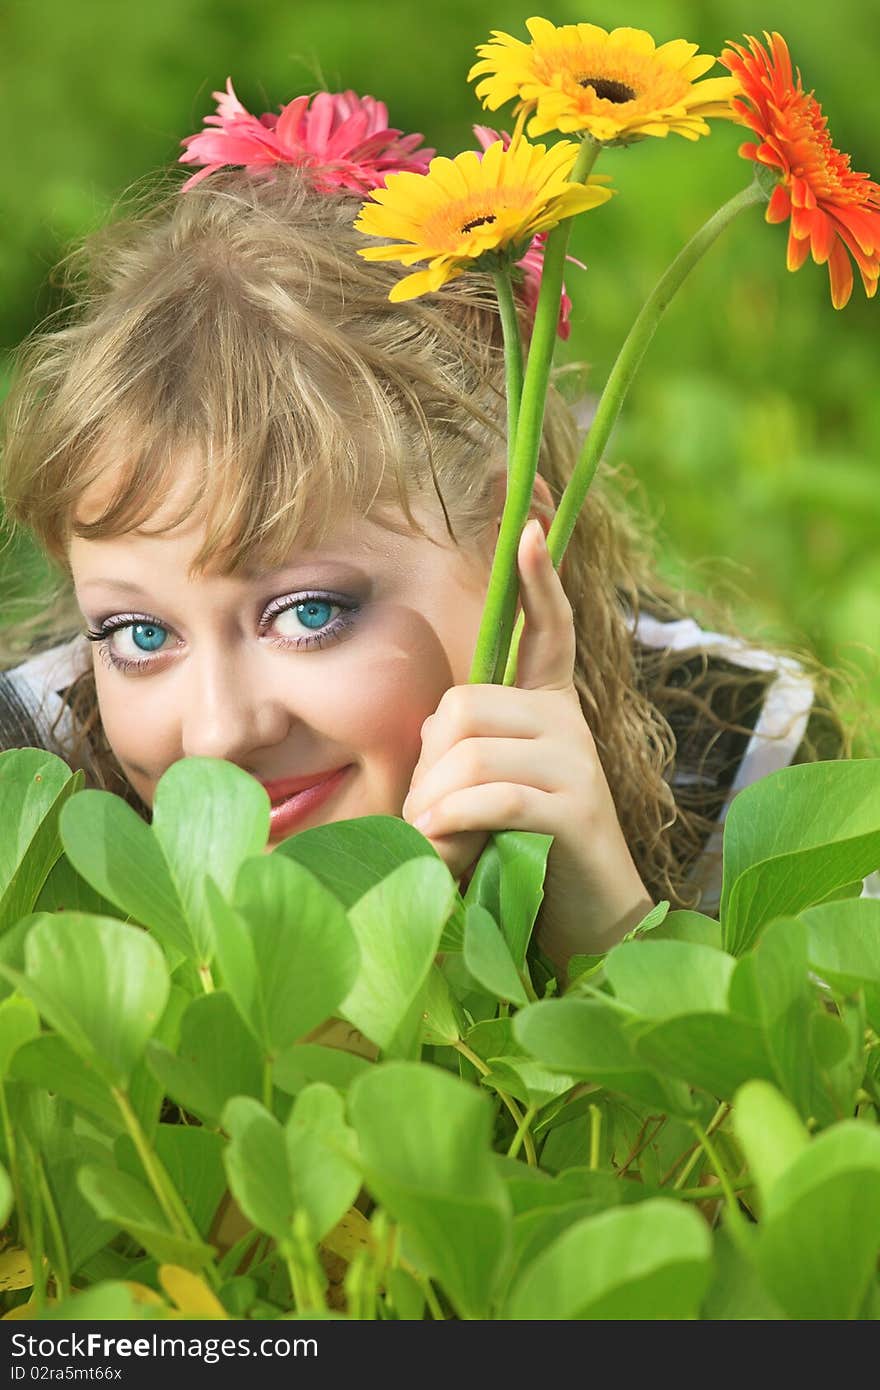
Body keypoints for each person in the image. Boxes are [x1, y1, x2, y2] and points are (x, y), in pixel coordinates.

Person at [0, 161, 857, 977]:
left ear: (515, 553)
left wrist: (605, 933)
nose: (220, 734)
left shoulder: (743, 755)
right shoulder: (30, 792)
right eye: (139, 634)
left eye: (305, 614)